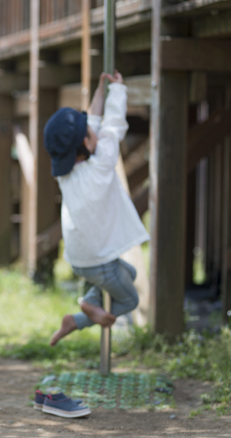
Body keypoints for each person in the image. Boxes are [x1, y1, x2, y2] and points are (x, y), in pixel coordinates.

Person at [43, 72, 149, 346]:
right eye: (89, 132)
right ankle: (79, 319)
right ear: (87, 144)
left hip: (80, 258)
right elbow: (113, 125)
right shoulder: (102, 162)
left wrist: (101, 90)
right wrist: (119, 90)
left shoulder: (64, 175)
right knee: (129, 298)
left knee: (131, 273)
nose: (94, 130)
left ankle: (90, 304)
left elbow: (92, 120)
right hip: (100, 261)